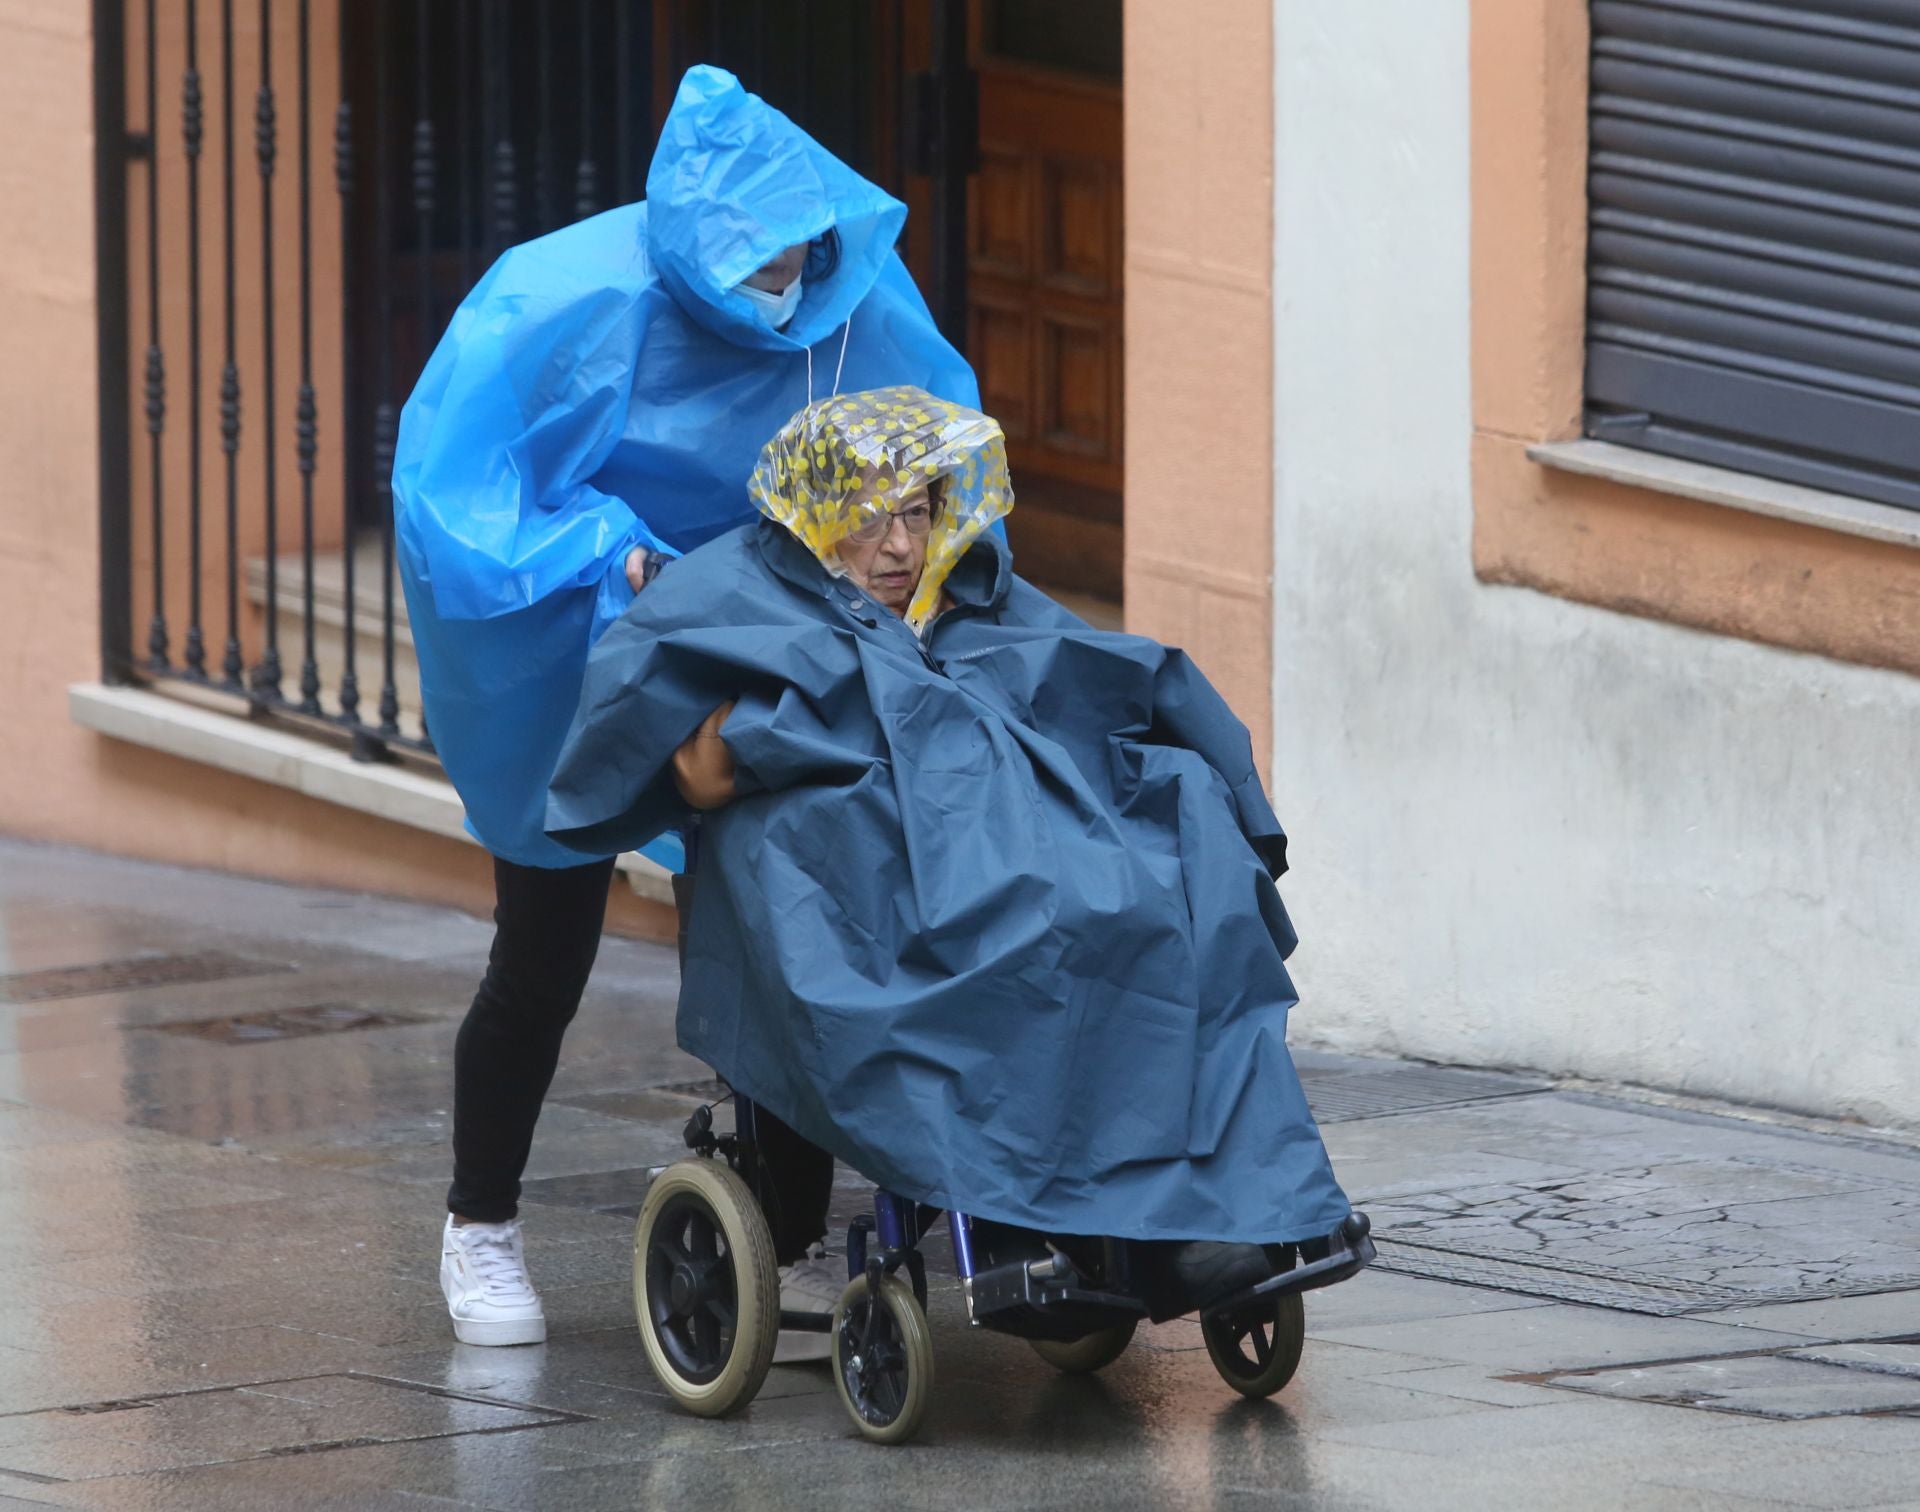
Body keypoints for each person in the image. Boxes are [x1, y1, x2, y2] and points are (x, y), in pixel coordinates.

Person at [391, 66, 978, 1352]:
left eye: (805, 251)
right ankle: (479, 1223)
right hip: (583, 654)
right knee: (543, 951)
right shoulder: (568, 299)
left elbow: (925, 437)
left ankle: (785, 1229)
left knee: (783, 930)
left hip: (770, 644)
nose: (789, 279)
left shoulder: (845, 300)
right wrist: (605, 556)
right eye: (763, 259)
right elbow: (459, 502)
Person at [545, 390, 1357, 1307]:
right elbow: (696, 772)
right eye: (868, 520)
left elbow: (1099, 676)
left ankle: (1210, 1209)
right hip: (879, 887)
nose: (900, 546)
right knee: (1028, 942)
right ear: (816, 517)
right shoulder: (745, 597)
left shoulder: (966, 591)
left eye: (918, 513)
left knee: (1178, 886)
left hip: (1017, 850)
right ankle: (1074, 1217)